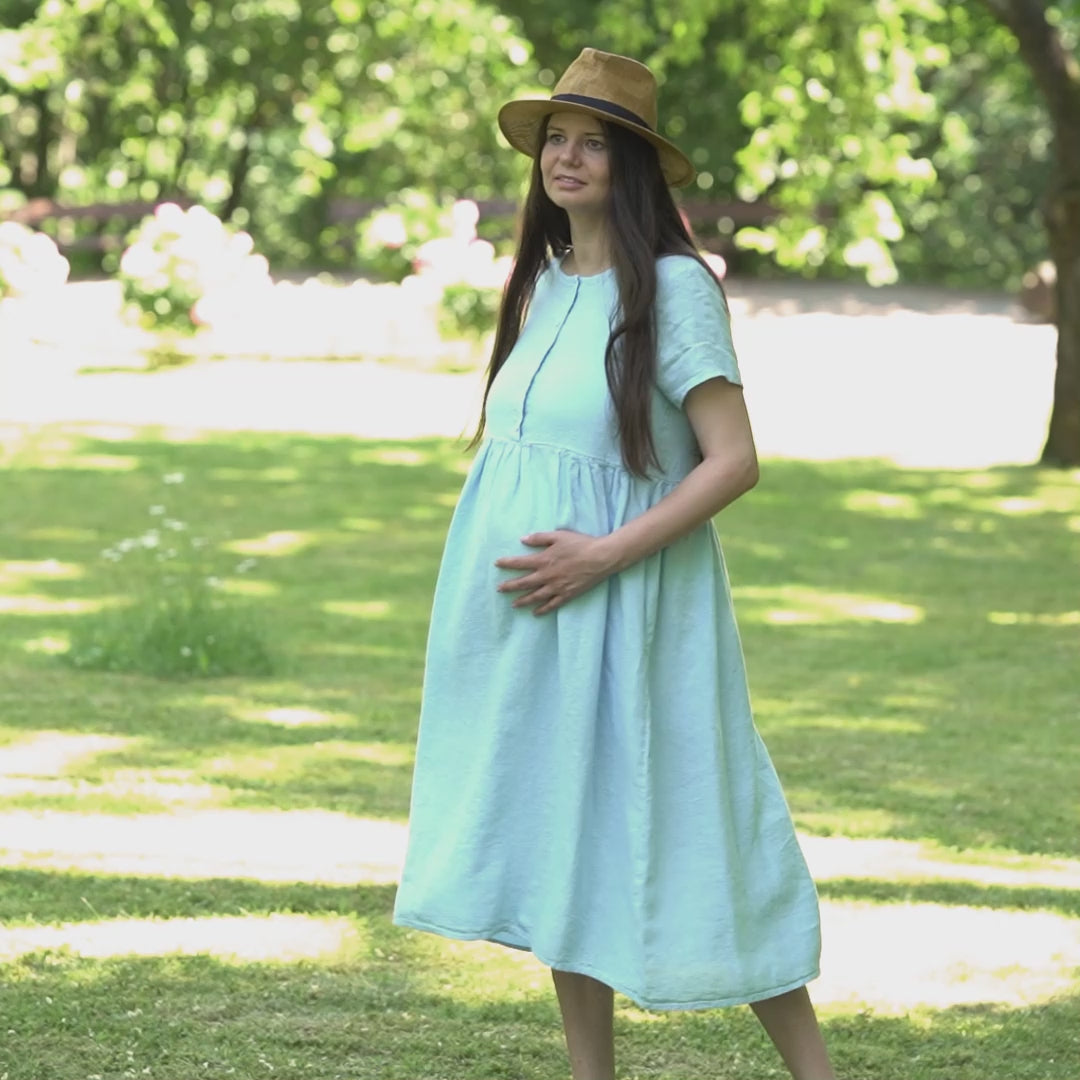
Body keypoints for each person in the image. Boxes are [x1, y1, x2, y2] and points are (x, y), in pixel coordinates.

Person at [392, 47, 837, 1080]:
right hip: (534, 623)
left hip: (637, 608)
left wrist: (603, 557)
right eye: (558, 137)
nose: (569, 157)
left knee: (703, 825)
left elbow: (734, 462)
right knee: (565, 839)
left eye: (594, 142)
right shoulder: (544, 285)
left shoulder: (673, 289)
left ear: (631, 165)